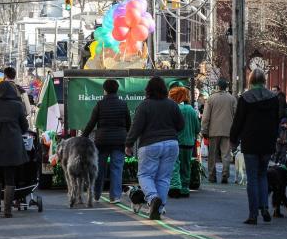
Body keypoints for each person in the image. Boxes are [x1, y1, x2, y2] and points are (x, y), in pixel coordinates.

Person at [125, 77, 184, 221]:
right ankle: (160, 207)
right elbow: (181, 125)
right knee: (164, 177)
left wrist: (128, 144)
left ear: (148, 90)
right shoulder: (172, 104)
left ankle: (152, 198)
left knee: (145, 175)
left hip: (150, 144)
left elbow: (136, 127)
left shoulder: (144, 105)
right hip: (171, 144)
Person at [229, 69, 280, 225]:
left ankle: (253, 214)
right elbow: (276, 120)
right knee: (262, 175)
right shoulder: (273, 98)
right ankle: (264, 207)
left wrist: (233, 139)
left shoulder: (245, 98)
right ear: (264, 80)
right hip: (267, 142)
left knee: (252, 178)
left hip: (250, 141)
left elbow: (238, 121)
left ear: (250, 81)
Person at [0, 81, 29, 218]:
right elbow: (25, 127)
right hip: (13, 146)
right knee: (10, 177)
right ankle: (8, 209)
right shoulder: (18, 105)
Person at [82, 79, 130, 203]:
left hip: (102, 141)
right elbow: (128, 123)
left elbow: (91, 123)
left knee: (99, 168)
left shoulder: (100, 104)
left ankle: (96, 195)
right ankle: (115, 196)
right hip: (119, 141)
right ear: (117, 90)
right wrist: (128, 138)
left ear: (105, 90)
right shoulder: (123, 104)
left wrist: (83, 137)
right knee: (117, 168)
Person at [201, 79, 237, 184]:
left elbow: (206, 116)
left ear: (217, 87)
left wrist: (204, 129)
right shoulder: (232, 99)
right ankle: (225, 174)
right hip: (228, 130)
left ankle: (212, 175)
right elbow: (236, 115)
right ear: (226, 87)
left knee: (212, 154)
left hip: (213, 131)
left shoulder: (211, 98)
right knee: (226, 154)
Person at [169, 86, 200, 198]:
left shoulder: (175, 109)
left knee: (175, 165)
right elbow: (197, 128)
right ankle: (185, 188)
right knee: (186, 166)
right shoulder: (191, 110)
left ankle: (175, 187)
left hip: (176, 141)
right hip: (189, 143)